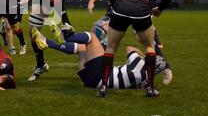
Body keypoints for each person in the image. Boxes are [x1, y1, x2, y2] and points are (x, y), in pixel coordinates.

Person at [99, 0, 172, 98]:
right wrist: (159, 9)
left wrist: (115, 8)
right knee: (149, 47)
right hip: (141, 12)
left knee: (111, 47)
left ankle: (103, 87)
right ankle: (150, 88)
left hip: (120, 10)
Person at [31, 26, 172, 89]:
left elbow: (130, 48)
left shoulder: (139, 63)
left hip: (101, 76)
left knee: (92, 38)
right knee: (82, 49)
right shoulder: (146, 81)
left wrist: (143, 54)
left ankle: (67, 37)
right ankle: (46, 42)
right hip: (90, 82)